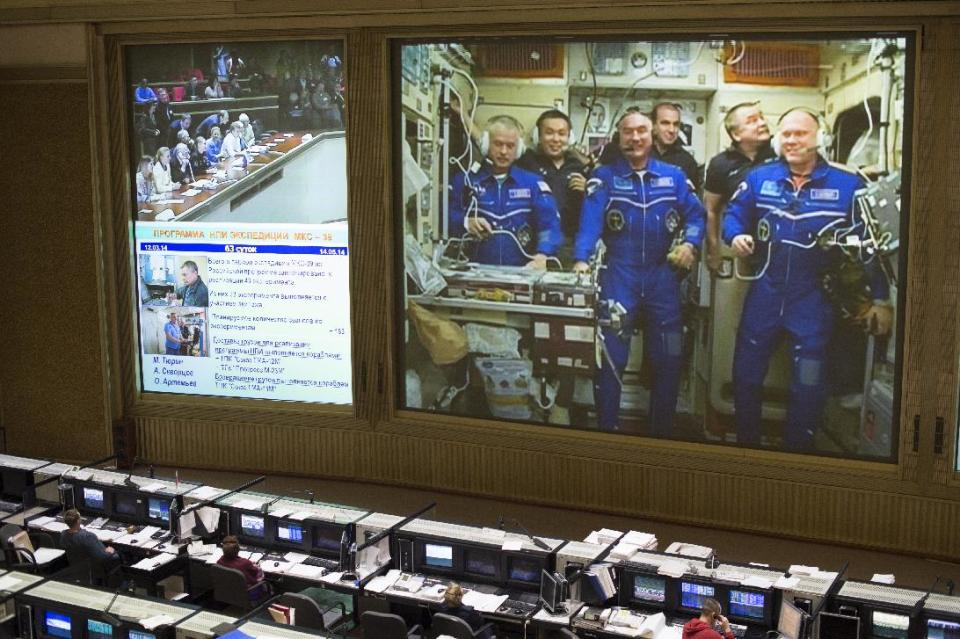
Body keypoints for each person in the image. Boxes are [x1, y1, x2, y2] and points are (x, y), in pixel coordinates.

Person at [723, 107, 892, 452]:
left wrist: (881, 300)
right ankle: (745, 451)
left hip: (813, 301)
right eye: (786, 134)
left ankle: (797, 456)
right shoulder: (759, 178)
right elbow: (733, 216)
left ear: (820, 138)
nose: (792, 140)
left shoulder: (849, 186)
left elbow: (870, 249)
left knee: (809, 385)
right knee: (745, 377)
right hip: (766, 294)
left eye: (800, 133)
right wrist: (735, 236)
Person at [573, 110, 705, 433]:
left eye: (642, 131)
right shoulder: (603, 177)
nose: (635, 138)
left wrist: (690, 244)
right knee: (610, 360)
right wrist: (580, 259)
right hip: (619, 276)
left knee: (670, 359)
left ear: (652, 135)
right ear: (619, 137)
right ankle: (608, 430)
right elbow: (589, 225)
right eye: (628, 132)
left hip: (663, 279)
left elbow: (697, 216)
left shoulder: (674, 177)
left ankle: (660, 432)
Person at [449, 115, 561, 268]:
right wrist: (466, 222)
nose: (503, 151)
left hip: (522, 275)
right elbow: (445, 217)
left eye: (510, 146)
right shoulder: (465, 180)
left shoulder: (533, 184)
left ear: (519, 149)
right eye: (498, 144)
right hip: (475, 274)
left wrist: (543, 254)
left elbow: (549, 225)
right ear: (486, 144)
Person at [702, 101, 775, 270]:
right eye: (752, 121)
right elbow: (710, 210)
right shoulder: (720, 164)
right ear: (736, 135)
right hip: (741, 245)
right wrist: (714, 251)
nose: (762, 123)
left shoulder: (781, 154)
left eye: (761, 118)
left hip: (779, 244)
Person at [514, 109, 588, 263]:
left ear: (569, 137)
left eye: (562, 134)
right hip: (530, 245)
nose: (556, 139)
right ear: (538, 137)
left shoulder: (580, 167)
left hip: (569, 247)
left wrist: (588, 191)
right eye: (549, 133)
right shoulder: (525, 163)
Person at [650, 102, 701, 192]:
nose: (671, 130)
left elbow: (692, 201)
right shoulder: (639, 154)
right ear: (653, 125)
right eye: (665, 123)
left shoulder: (687, 162)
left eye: (676, 124)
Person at [60, 509, 121, 575]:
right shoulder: (87, 536)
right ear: (78, 521)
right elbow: (102, 557)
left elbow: (80, 540)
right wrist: (110, 552)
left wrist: (96, 539)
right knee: (119, 554)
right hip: (94, 569)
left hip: (77, 567)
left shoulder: (63, 534)